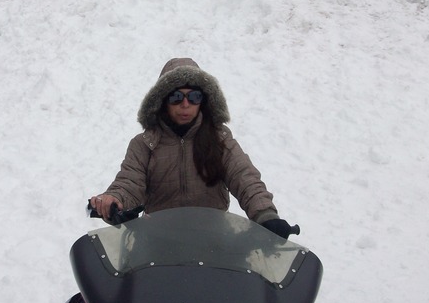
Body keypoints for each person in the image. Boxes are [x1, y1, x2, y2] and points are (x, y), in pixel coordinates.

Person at [89, 57, 297, 239]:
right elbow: (129, 182)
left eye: (194, 97)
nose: (185, 104)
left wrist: (265, 215)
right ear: (163, 100)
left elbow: (245, 177)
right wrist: (115, 199)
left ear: (203, 100)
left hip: (214, 238)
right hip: (157, 242)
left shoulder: (220, 139)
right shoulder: (144, 144)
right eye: (176, 97)